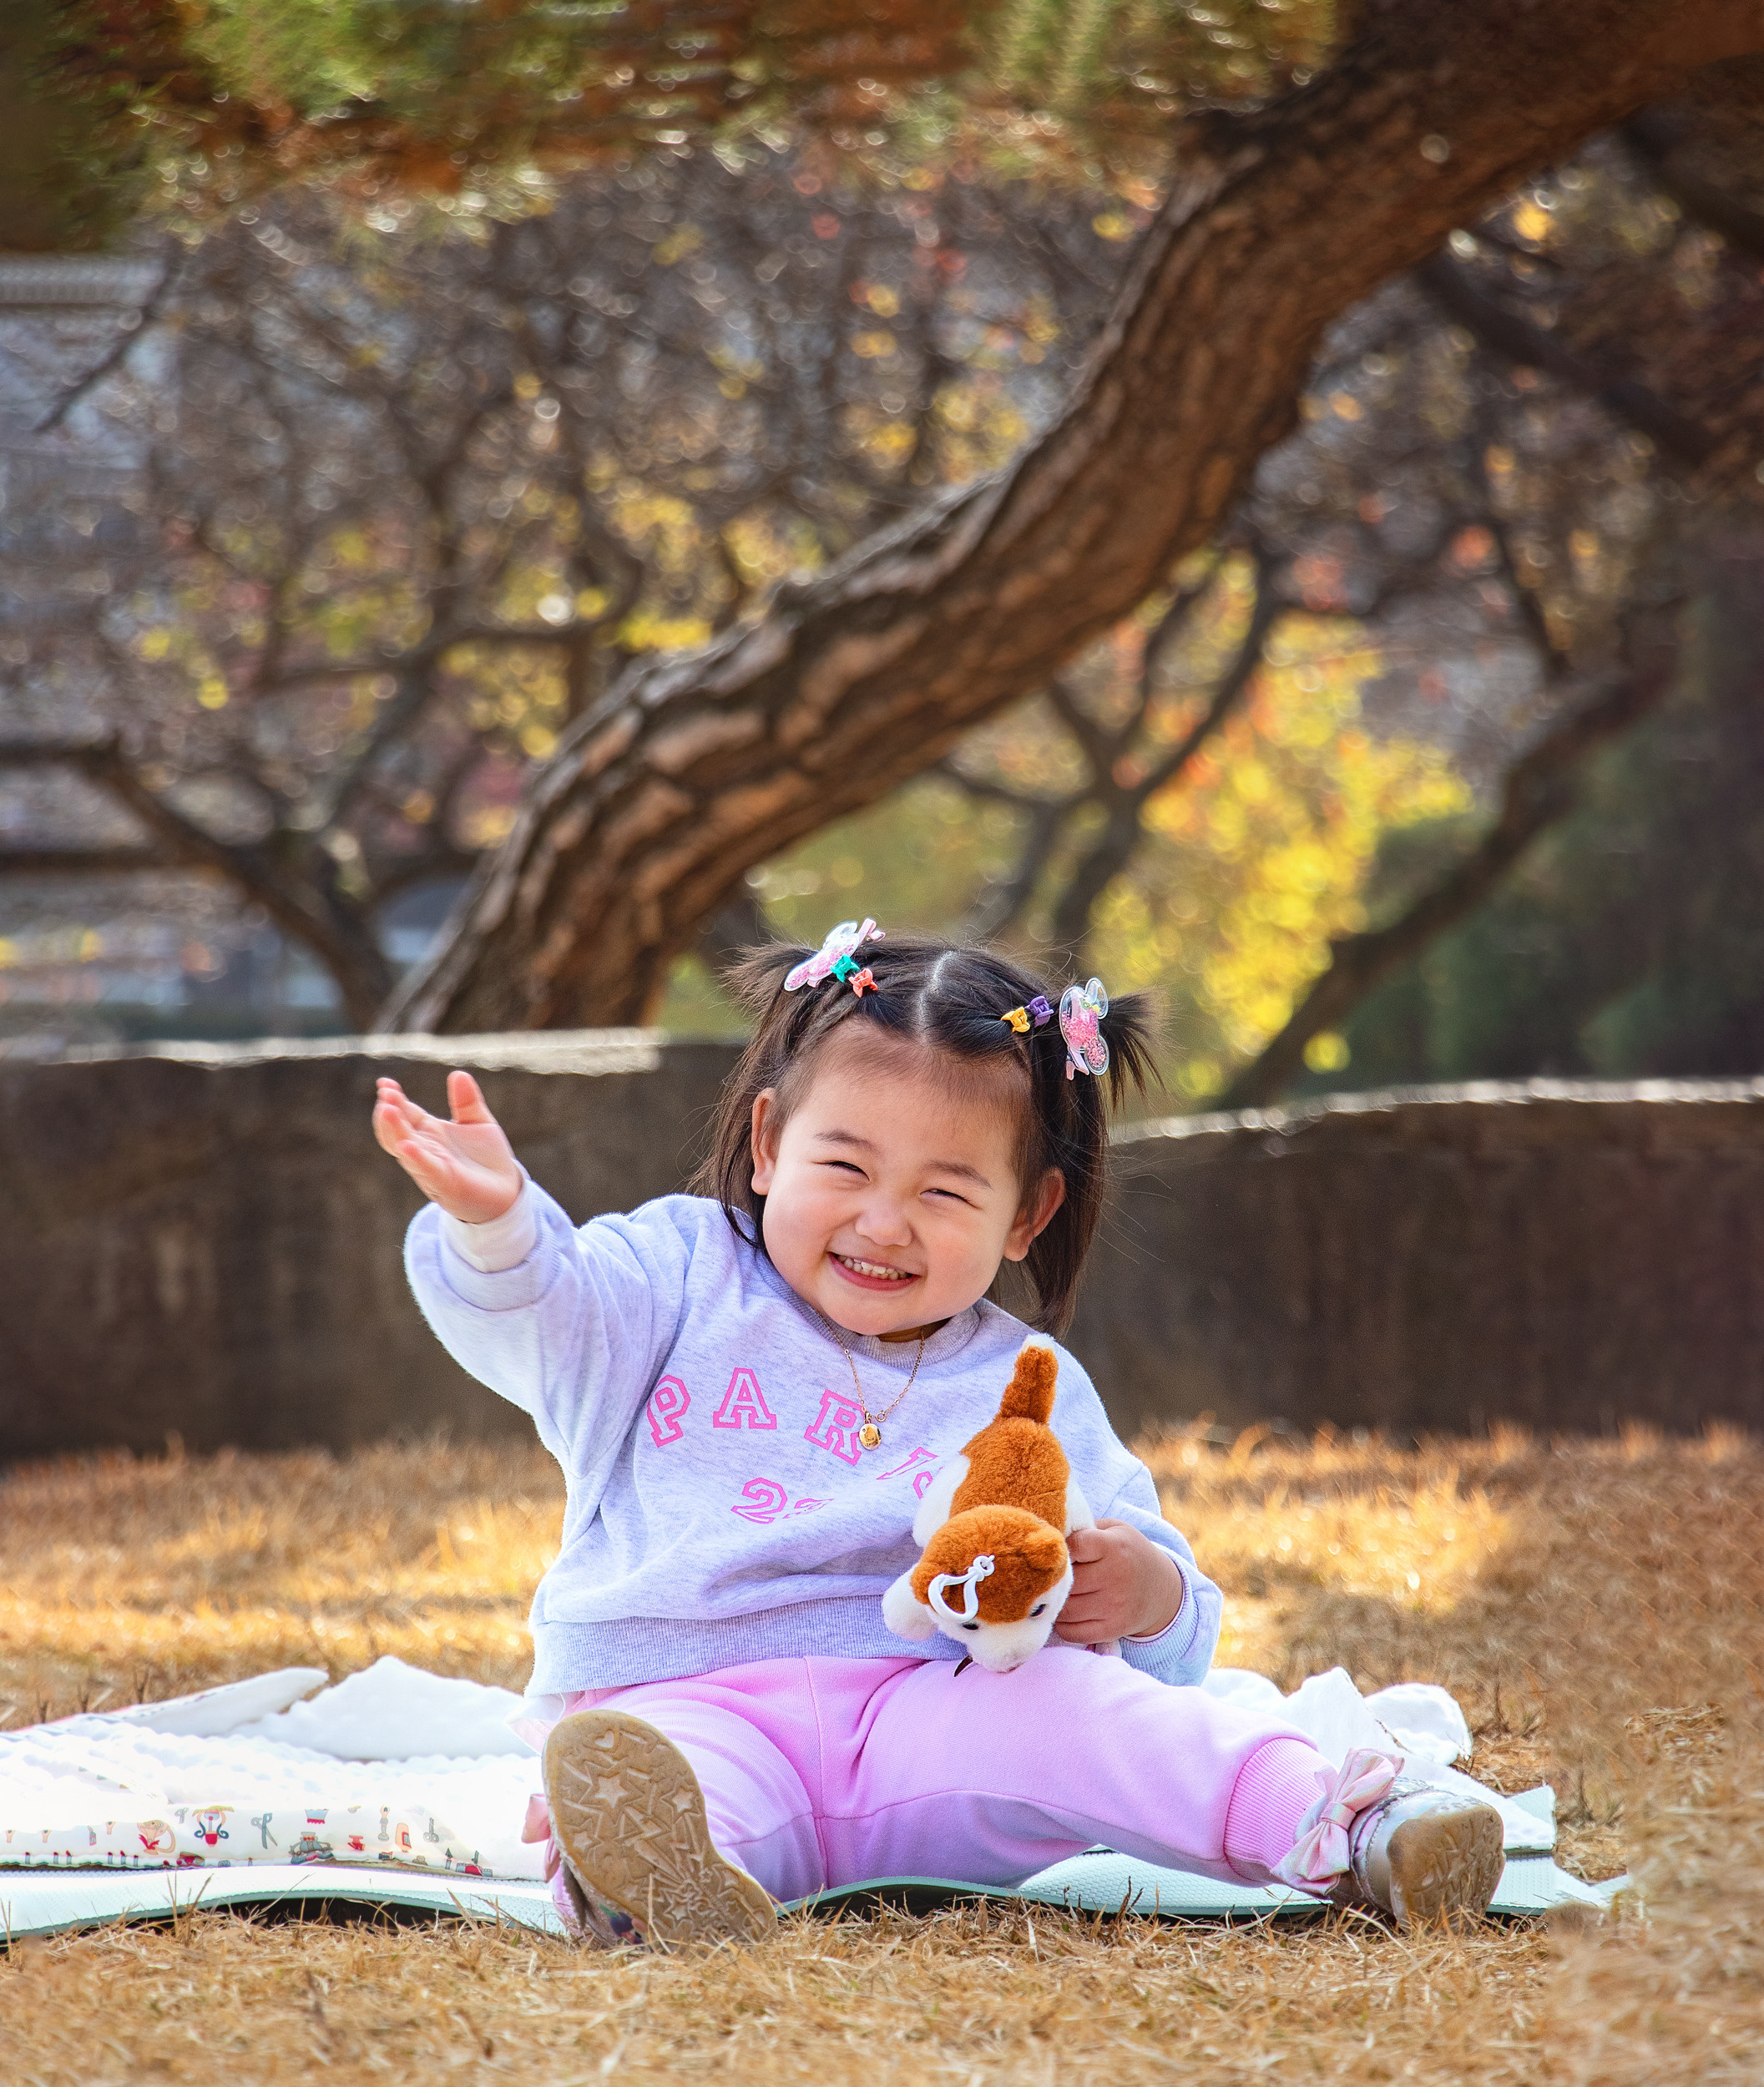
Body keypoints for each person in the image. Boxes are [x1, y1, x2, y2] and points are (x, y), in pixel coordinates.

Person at [374, 924, 1504, 1946]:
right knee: (667, 1781)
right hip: (688, 1702)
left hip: (943, 1721)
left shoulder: (1027, 1383)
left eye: (944, 1193)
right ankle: (651, 1875)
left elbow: (1166, 1643)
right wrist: (496, 1226)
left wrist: (1144, 1591)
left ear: (1027, 1216)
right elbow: (542, 1314)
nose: (881, 1222)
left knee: (1091, 1716)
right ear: (768, 1143)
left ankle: (1350, 1828)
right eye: (844, 1167)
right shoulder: (672, 1278)